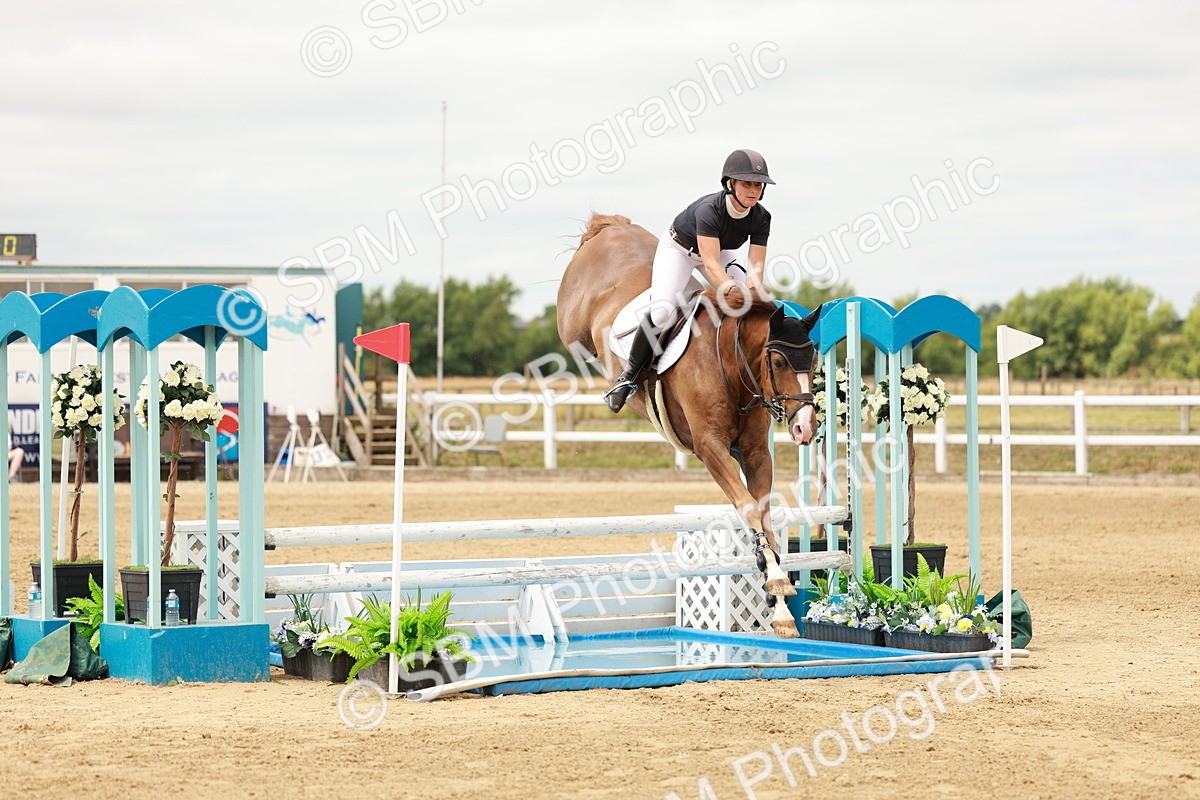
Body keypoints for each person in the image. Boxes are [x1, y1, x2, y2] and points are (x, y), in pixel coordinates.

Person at [604, 148, 776, 413]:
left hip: (719, 250)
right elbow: (709, 263)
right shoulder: (711, 210)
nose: (753, 190)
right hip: (680, 250)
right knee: (662, 311)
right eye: (747, 183)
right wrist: (731, 290)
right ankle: (627, 378)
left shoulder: (761, 218)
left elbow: (755, 269)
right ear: (730, 184)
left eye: (758, 185)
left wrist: (752, 296)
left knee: (749, 302)